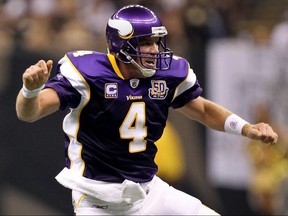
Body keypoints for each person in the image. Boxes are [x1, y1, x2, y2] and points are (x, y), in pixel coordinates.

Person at [15, 4, 278, 215]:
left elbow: (203, 110)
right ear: (121, 45)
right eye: (146, 43)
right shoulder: (87, 72)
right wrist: (30, 90)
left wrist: (246, 128)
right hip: (97, 199)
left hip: (148, 190)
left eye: (156, 42)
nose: (155, 50)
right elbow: (30, 112)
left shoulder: (168, 73)